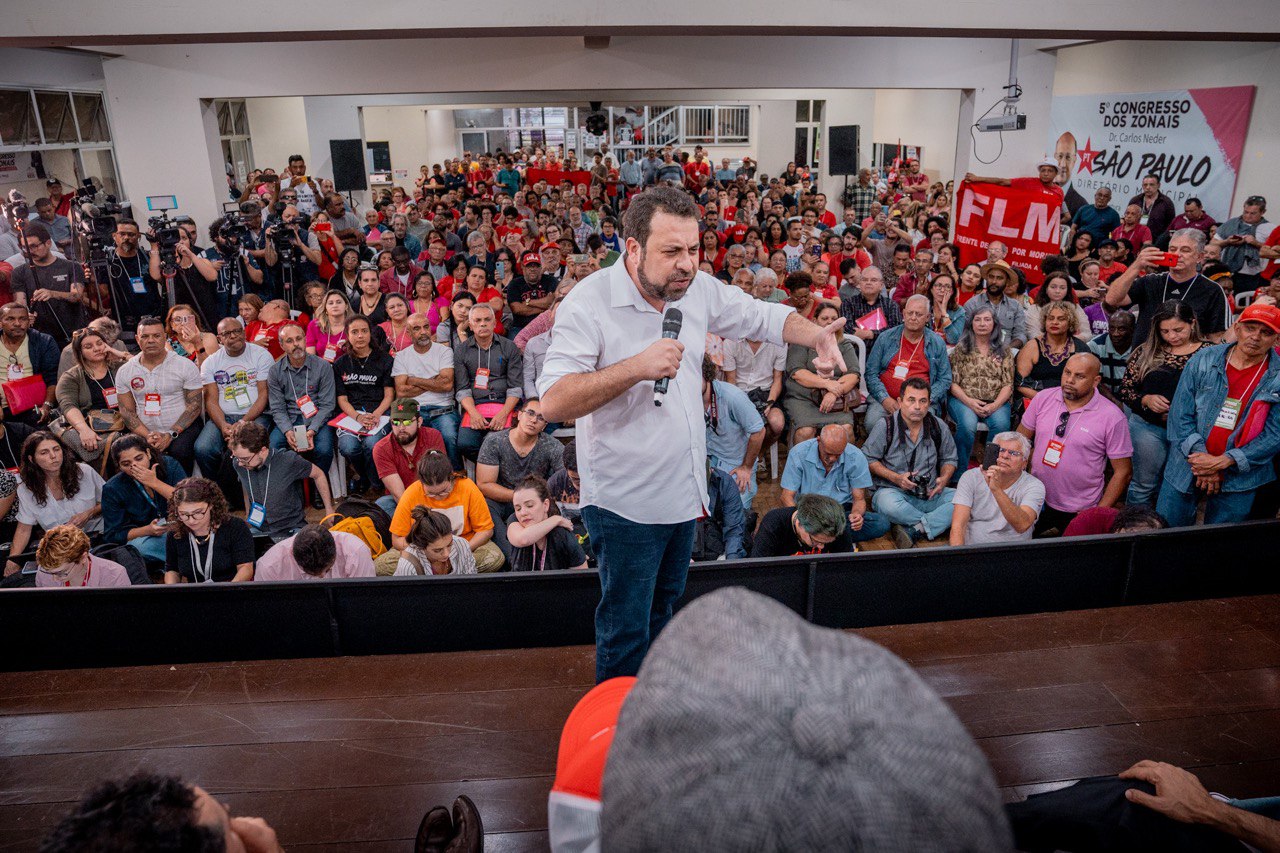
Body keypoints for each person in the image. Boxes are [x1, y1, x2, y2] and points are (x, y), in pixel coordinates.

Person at [538, 186, 847, 681]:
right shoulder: (588, 302)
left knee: (664, 612)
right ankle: (621, 729)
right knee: (625, 627)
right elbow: (554, 400)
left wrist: (816, 335)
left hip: (684, 494)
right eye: (672, 251)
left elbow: (761, 315)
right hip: (625, 502)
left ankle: (655, 700)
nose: (687, 264)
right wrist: (637, 366)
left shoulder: (695, 288)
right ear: (633, 248)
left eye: (693, 249)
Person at [1157, 302, 1280, 526]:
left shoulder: (1276, 376)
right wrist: (1203, 464)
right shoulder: (1203, 359)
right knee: (1166, 534)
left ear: (1276, 339)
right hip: (1187, 463)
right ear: (1238, 327)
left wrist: (1224, 461)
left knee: (1220, 548)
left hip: (1241, 474)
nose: (1255, 336)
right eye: (1251, 328)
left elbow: (1275, 435)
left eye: (1266, 332)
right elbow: (1179, 415)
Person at [1018, 353, 1133, 535]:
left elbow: (1123, 472)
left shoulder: (1112, 417)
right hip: (1035, 498)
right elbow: (1019, 442)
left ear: (1095, 381)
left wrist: (1095, 514)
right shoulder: (1043, 399)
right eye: (1067, 373)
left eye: (1079, 376)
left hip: (1080, 508)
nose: (1069, 380)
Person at [1119, 301, 1206, 506]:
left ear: (1192, 323)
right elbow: (1125, 389)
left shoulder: (1208, 353)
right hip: (1148, 428)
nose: (1172, 336)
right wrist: (1145, 399)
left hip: (1190, 431)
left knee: (1179, 486)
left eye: (1178, 330)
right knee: (1143, 484)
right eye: (1165, 331)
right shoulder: (1147, 351)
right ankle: (1136, 528)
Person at [862, 377, 958, 547]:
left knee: (962, 499)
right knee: (887, 505)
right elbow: (867, 459)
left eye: (923, 401)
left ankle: (914, 528)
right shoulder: (886, 426)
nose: (917, 407)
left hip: (929, 493)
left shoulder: (938, 425)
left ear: (929, 403)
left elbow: (949, 458)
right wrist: (896, 478)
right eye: (911, 400)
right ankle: (933, 523)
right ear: (900, 401)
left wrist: (944, 479)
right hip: (893, 492)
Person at [1105, 230, 1229, 347]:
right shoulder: (1150, 281)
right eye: (1172, 249)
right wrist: (1136, 266)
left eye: (1185, 250)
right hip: (1143, 360)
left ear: (1200, 257)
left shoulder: (1212, 290)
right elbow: (1111, 300)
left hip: (1185, 364)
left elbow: (1216, 338)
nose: (1177, 254)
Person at [476, 397, 564, 558]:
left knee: (551, 504)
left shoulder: (552, 446)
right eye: (530, 413)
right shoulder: (494, 441)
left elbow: (565, 480)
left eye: (541, 418)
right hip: (503, 499)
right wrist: (518, 497)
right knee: (486, 506)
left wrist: (533, 500)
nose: (533, 420)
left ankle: (551, 554)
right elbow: (484, 484)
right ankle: (512, 556)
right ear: (518, 414)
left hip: (535, 501)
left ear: (545, 425)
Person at [116, 316, 204, 475]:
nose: (151, 340)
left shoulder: (184, 365)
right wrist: (148, 435)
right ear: (137, 339)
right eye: (145, 336)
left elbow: (195, 406)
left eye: (156, 336)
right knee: (135, 455)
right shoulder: (125, 371)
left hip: (182, 429)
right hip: (145, 431)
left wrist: (170, 434)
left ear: (165, 337)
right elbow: (126, 412)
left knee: (181, 451)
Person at [389, 450, 504, 572]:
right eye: (431, 494)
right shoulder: (411, 493)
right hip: (423, 551)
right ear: (421, 483)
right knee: (383, 565)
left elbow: (486, 530)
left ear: (452, 477)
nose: (438, 497)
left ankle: (440, 572)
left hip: (466, 544)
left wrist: (459, 552)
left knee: (494, 558)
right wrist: (429, 553)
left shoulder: (467, 487)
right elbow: (397, 539)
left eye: (444, 491)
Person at [779, 423, 890, 544]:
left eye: (838, 455)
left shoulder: (856, 456)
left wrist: (856, 515)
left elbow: (859, 499)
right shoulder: (798, 453)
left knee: (881, 523)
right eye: (828, 453)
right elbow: (786, 497)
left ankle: (818, 539)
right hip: (807, 511)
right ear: (818, 440)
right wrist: (802, 520)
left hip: (839, 512)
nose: (832, 459)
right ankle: (830, 539)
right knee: (782, 524)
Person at [195, 317, 275, 484]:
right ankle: (219, 494)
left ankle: (249, 491)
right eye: (227, 333)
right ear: (219, 339)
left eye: (237, 331)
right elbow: (211, 400)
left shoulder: (261, 355)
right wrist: (223, 424)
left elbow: (263, 395)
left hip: (255, 415)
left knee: (247, 444)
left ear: (244, 333)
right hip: (223, 417)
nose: (233, 336)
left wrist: (243, 422)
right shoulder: (211, 362)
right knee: (203, 448)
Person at [229, 419, 332, 542]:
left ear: (263, 450)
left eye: (245, 459)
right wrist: (247, 513)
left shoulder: (287, 460)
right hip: (260, 529)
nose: (240, 463)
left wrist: (329, 509)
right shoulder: (239, 463)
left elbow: (318, 474)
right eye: (237, 457)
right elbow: (246, 485)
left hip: (290, 528)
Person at [267, 321, 336, 497]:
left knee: (324, 449)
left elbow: (328, 404)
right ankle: (289, 489)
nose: (296, 344)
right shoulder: (275, 371)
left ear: (305, 340)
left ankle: (318, 487)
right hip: (290, 419)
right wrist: (288, 431)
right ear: (282, 346)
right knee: (273, 447)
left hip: (317, 419)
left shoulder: (322, 366)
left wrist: (312, 430)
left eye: (299, 339)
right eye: (289, 341)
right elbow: (277, 407)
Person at [864, 294, 951, 428]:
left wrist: (922, 400)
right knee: (873, 423)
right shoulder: (885, 338)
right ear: (903, 314)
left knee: (925, 427)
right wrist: (884, 398)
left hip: (921, 402)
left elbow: (945, 379)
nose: (913, 317)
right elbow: (871, 373)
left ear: (927, 317)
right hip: (887, 399)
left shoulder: (936, 342)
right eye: (910, 313)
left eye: (919, 314)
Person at [948, 305, 1016, 476]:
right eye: (977, 320)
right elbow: (953, 384)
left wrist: (994, 406)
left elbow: (1008, 385)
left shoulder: (1004, 350)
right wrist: (969, 402)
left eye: (987, 319)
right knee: (967, 426)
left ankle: (989, 471)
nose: (982, 324)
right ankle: (959, 474)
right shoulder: (961, 349)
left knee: (1001, 425)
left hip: (996, 401)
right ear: (971, 324)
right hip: (964, 399)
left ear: (994, 324)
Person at [332, 315, 394, 496]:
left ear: (370, 334)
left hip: (380, 413)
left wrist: (375, 415)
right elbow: (342, 400)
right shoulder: (340, 364)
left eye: (364, 331)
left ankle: (374, 483)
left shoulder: (385, 360)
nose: (360, 336)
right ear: (347, 336)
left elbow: (389, 395)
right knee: (348, 447)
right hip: (351, 416)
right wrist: (358, 417)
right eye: (355, 332)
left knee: (372, 444)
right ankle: (365, 476)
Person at [101, 434, 185, 563]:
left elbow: (190, 500)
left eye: (139, 458)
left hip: (184, 526)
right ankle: (180, 561)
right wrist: (147, 530)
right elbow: (113, 535)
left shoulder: (169, 465)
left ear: (148, 453)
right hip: (152, 537)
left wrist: (154, 483)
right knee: (137, 548)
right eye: (126, 464)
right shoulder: (113, 488)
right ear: (119, 466)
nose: (135, 466)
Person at [454, 303, 522, 462]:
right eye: (477, 320)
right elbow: (462, 389)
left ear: (494, 323)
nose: (482, 323)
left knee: (507, 442)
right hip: (475, 405)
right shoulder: (461, 350)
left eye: (487, 319)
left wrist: (503, 414)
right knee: (465, 443)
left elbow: (515, 388)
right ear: (470, 325)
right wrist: (473, 413)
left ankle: (494, 474)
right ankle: (488, 471)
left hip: (504, 403)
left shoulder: (509, 347)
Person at [949, 431, 1045, 545]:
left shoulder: (1034, 485)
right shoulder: (970, 477)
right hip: (974, 550)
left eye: (1013, 453)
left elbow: (1022, 525)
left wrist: (996, 489)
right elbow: (958, 527)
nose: (1005, 456)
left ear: (1024, 463)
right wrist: (960, 559)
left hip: (1013, 552)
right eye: (1000, 450)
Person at [392, 311, 459, 469]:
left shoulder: (444, 352)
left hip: (444, 410)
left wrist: (414, 380)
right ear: (408, 333)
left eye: (426, 327)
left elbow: (446, 385)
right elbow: (401, 392)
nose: (423, 332)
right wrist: (433, 381)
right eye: (417, 328)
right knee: (404, 438)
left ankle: (456, 475)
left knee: (449, 436)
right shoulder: (402, 356)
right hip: (414, 411)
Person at [701, 356, 765, 512]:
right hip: (704, 458)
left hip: (734, 462)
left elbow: (758, 431)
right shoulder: (686, 398)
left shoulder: (732, 396)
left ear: (706, 375)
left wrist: (746, 467)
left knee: (736, 513)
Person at [163, 477, 255, 583]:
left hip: (231, 589)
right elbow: (172, 570)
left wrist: (229, 590)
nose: (191, 520)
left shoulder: (235, 526)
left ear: (211, 505)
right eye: (183, 514)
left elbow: (245, 567)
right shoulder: (175, 533)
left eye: (198, 512)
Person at [53, 327, 123, 465]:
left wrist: (121, 354)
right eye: (88, 346)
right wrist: (83, 429)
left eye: (99, 343)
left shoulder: (120, 367)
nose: (96, 348)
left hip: (123, 420)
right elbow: (68, 405)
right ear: (80, 352)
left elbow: (145, 368)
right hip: (90, 424)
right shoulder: (71, 377)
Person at [10, 222, 84, 347]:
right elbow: (20, 303)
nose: (30, 251)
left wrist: (52, 293)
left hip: (72, 332)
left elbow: (77, 296)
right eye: (25, 248)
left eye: (34, 246)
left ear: (48, 243)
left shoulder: (71, 267)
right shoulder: (19, 272)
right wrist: (24, 316)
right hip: (41, 336)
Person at [505, 474, 588, 572]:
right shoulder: (514, 520)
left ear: (545, 505)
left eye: (530, 506)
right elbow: (522, 539)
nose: (523, 513)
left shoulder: (562, 534)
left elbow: (581, 576)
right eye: (518, 508)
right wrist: (557, 519)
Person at [1016, 301, 1091, 402]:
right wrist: (1048, 400)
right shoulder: (1032, 346)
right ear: (1044, 321)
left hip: (1070, 401)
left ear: (1070, 323)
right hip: (1036, 399)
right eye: (1050, 318)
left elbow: (1085, 383)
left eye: (1061, 319)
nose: (1054, 322)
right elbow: (1020, 384)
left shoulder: (1081, 348)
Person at [0, 301, 60, 427]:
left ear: (29, 321)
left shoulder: (44, 341)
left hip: (34, 407)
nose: (17, 323)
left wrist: (47, 406)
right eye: (10, 319)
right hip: (2, 408)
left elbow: (53, 378)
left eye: (23, 319)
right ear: (1, 322)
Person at [255, 523, 376, 581]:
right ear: (292, 553)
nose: (322, 576)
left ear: (335, 547)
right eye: (310, 573)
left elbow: (363, 601)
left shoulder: (356, 551)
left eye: (328, 569)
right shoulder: (269, 567)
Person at [750, 493, 853, 557]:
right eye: (816, 541)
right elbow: (758, 571)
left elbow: (847, 568)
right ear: (799, 523)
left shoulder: (837, 525)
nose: (821, 547)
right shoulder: (774, 524)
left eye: (827, 542)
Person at [32, 524, 130, 589]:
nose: (54, 579)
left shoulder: (115, 575)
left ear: (83, 557)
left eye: (62, 572)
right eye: (50, 573)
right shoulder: (44, 572)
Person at [393, 505, 477, 576]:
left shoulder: (462, 544)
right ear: (421, 546)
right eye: (437, 550)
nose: (446, 554)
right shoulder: (407, 565)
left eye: (449, 545)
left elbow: (472, 583)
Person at [964, 260, 1029, 348]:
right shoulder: (973, 304)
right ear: (986, 278)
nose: (994, 281)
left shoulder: (1016, 306)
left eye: (999, 278)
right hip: (977, 352)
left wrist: (1006, 350)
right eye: (991, 277)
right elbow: (966, 334)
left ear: (1007, 282)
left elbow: (1020, 334)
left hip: (1008, 352)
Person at [1087, 309, 1137, 405]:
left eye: (1121, 329)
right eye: (1112, 328)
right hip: (1103, 399)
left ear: (1133, 329)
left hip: (1132, 399)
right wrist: (1115, 402)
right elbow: (1095, 382)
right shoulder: (1095, 346)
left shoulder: (1140, 347)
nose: (1115, 333)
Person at [1128, 173, 1177, 242]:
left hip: (1156, 242)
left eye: (1151, 184)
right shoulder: (1135, 200)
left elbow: (1171, 226)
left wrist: (1161, 242)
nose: (1148, 187)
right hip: (1134, 239)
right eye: (1145, 185)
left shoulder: (1166, 203)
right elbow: (1127, 218)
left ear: (1158, 185)